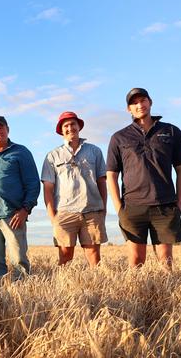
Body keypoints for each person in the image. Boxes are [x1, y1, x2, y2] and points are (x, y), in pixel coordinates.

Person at [106, 88, 181, 269]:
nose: (140, 105)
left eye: (143, 100)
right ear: (128, 109)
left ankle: (167, 297)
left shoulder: (171, 131)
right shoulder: (119, 137)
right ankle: (135, 296)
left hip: (164, 205)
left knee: (166, 261)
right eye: (134, 103)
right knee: (136, 260)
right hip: (133, 206)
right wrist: (118, 207)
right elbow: (111, 174)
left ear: (150, 102)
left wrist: (180, 202)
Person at [0, 115, 40, 281]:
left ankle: (23, 294)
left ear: (7, 129)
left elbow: (33, 183)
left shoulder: (21, 152)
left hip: (13, 214)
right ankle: (0, 296)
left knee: (19, 259)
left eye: (1, 128)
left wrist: (25, 209)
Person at [41, 111, 108, 266]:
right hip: (64, 212)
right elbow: (48, 188)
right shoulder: (53, 156)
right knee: (65, 257)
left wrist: (103, 208)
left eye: (73, 124)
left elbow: (101, 182)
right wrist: (53, 216)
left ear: (79, 127)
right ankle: (64, 289)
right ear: (61, 130)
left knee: (94, 257)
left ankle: (96, 287)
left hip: (92, 210)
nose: (70, 128)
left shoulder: (95, 151)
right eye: (66, 125)